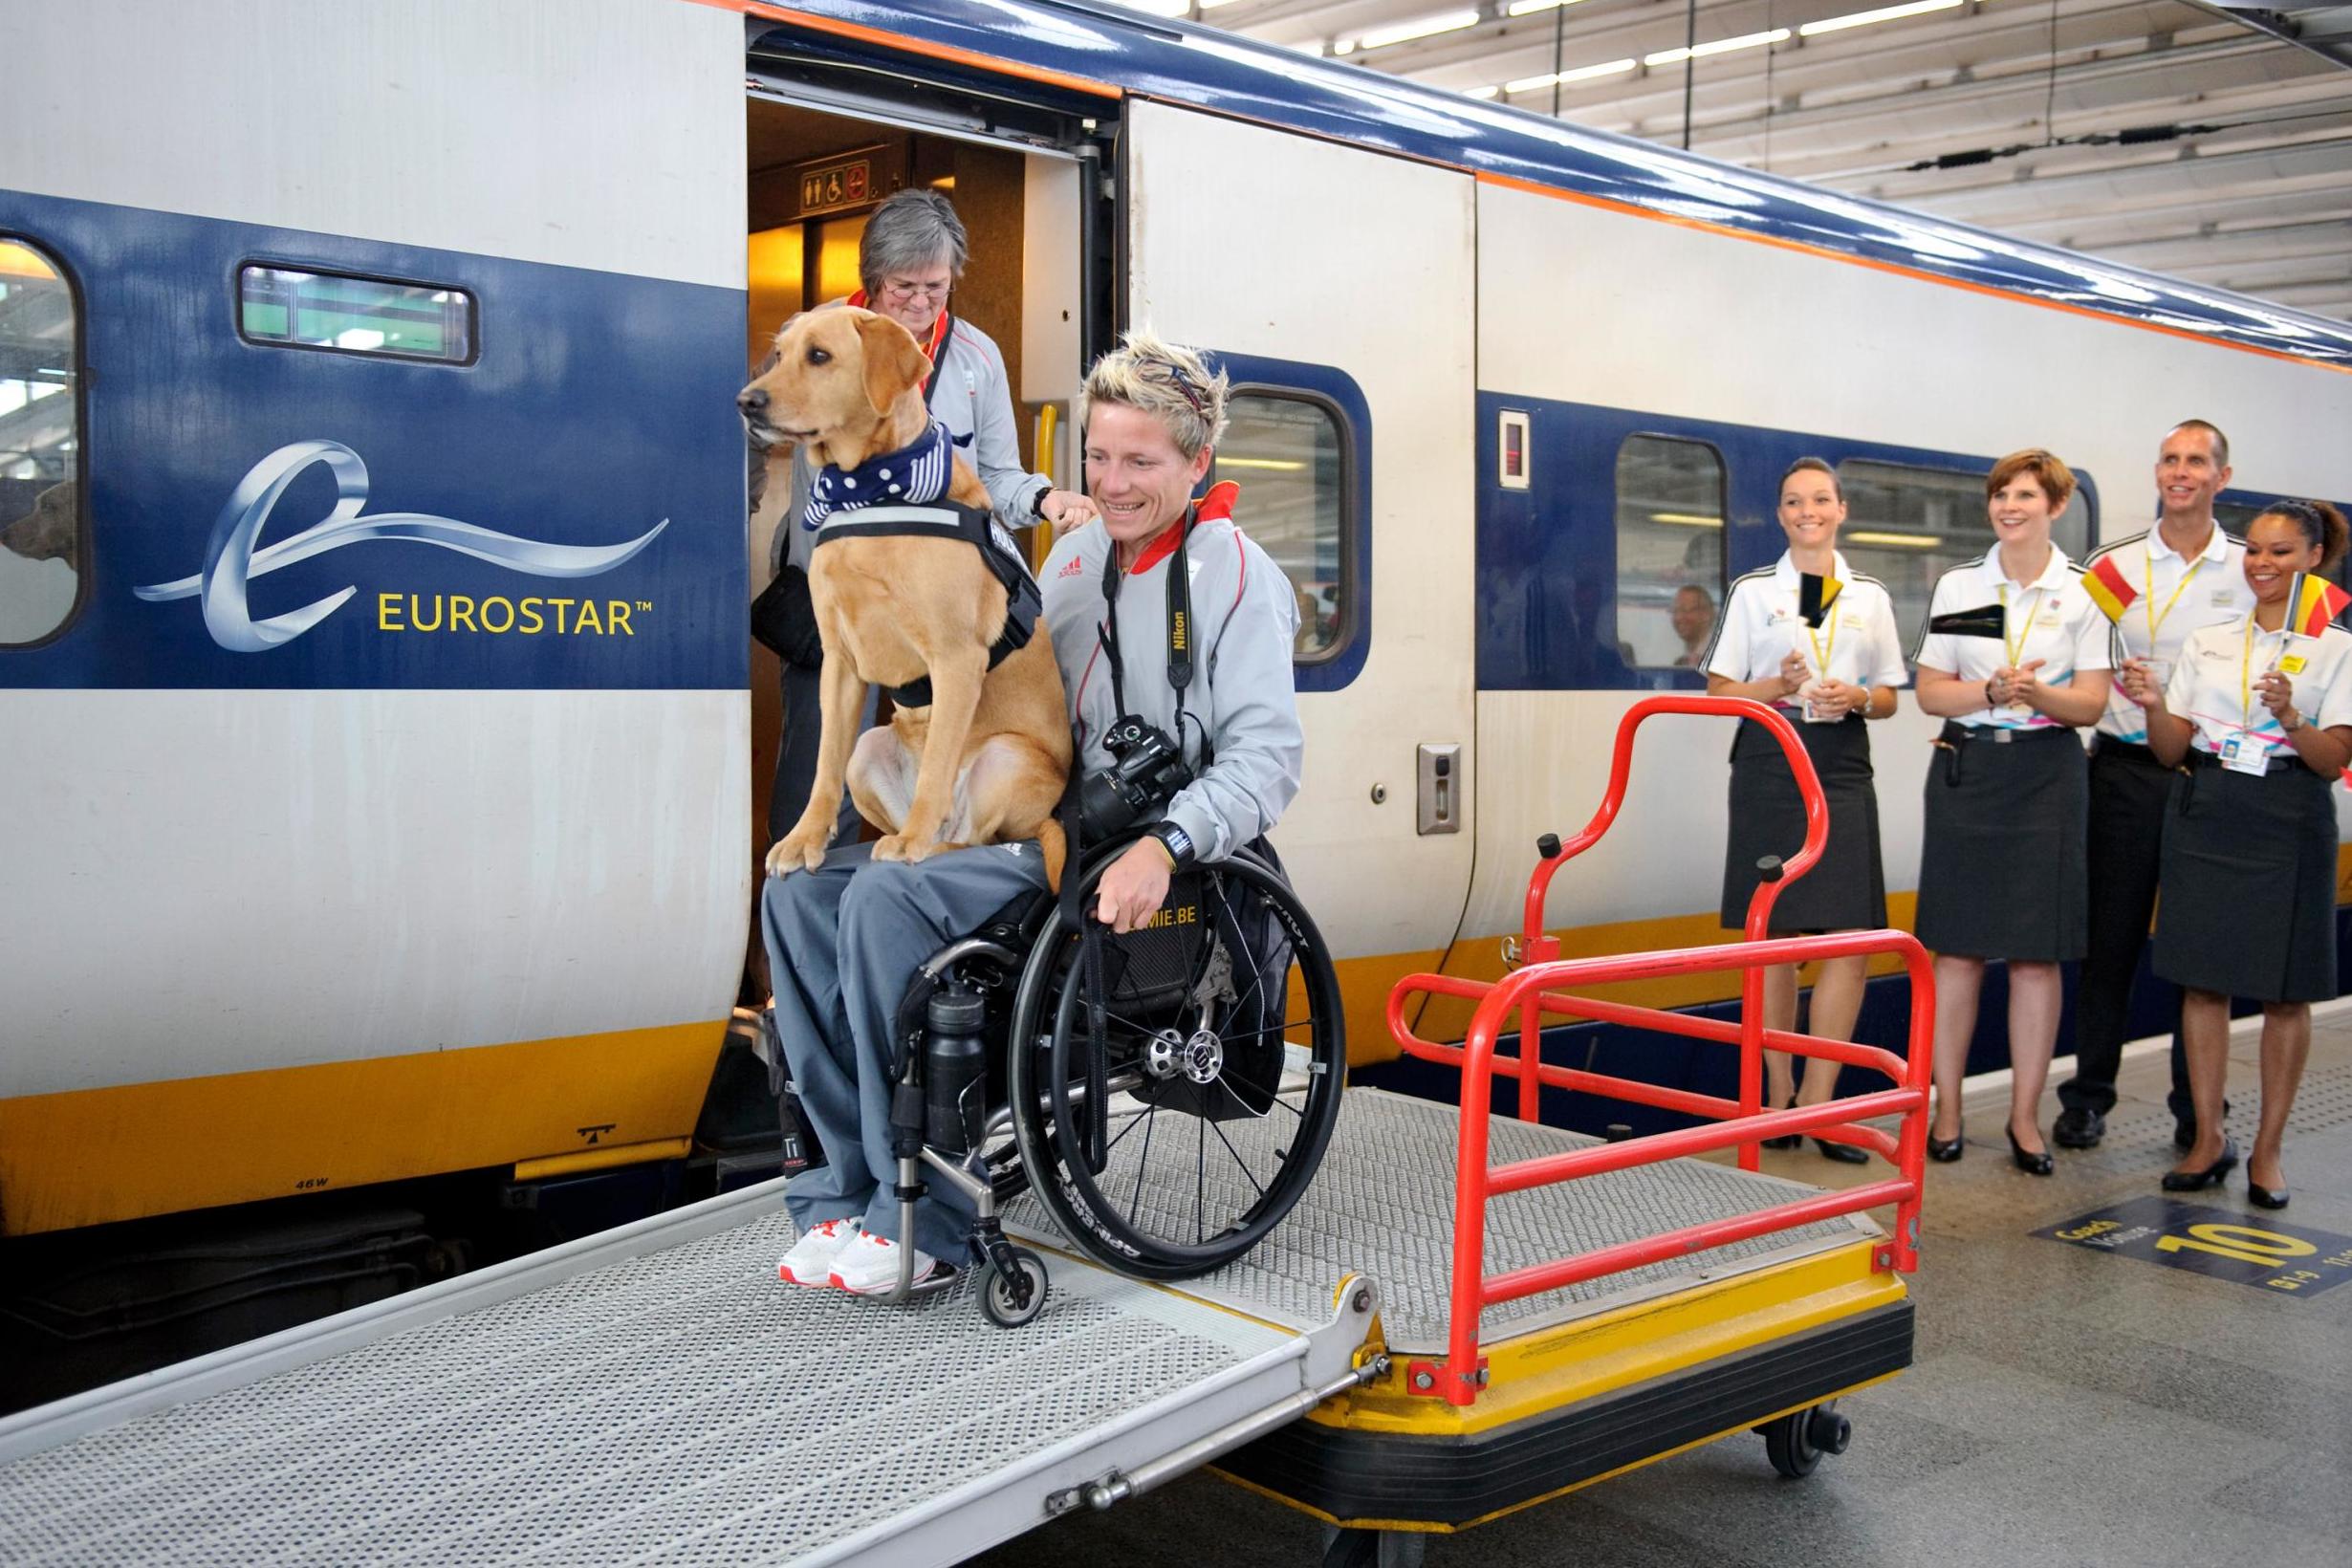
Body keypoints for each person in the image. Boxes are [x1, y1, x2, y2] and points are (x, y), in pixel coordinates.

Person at [762, 329, 1304, 1294]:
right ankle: (841, 1191)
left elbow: (1268, 758)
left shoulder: (1235, 577)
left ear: (1196, 461)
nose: (1115, 479)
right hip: (1020, 816)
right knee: (799, 896)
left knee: (890, 900)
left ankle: (920, 1216)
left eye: (1141, 460)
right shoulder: (1071, 555)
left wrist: (1168, 842)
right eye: (1098, 455)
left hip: (1120, 849)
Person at [752, 188, 1095, 843]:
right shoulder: (813, 337)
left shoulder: (975, 357)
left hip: (933, 597)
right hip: (837, 589)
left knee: (938, 780)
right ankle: (792, 926)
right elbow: (761, 421)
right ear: (872, 280)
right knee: (814, 780)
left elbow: (996, 476)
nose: (918, 303)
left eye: (934, 288)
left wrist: (1046, 499)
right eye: (903, 287)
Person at [2125, 500, 2352, 1209]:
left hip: (2289, 817)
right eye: (2254, 550)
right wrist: (2156, 704)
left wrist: (2291, 716)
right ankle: (2207, 1140)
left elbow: (2332, 760)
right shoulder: (2209, 641)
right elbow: (2170, 751)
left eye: (2281, 552)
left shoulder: (2337, 648)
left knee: (2286, 993)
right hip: (2208, 812)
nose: (2262, 564)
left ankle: (2268, 1150)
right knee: (2202, 983)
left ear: (2314, 559)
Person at [1911, 449, 2112, 1174]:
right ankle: (1949, 1110)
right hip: (1971, 769)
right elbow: (1932, 690)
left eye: (2025, 495)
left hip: (2048, 775)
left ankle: (2026, 1119)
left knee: (2036, 956)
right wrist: (1991, 694)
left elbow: (2091, 703)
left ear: (2056, 506)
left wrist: (2035, 695)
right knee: (1957, 951)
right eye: (2000, 495)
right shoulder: (1962, 585)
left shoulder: (2084, 594)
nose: (2009, 506)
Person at [2056, 421, 2253, 1153]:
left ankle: (2197, 1109)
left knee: (2199, 952)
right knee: (2110, 943)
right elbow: (2068, 654)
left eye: (2196, 461)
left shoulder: (2249, 570)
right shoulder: (2113, 568)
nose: (2180, 472)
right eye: (2170, 460)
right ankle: (2087, 1098)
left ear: (2221, 478)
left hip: (2210, 775)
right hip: (2125, 773)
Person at [1705, 459, 1907, 1163]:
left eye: (1820, 499)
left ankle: (1822, 1103)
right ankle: (1777, 1095)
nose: (1808, 511)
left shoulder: (1869, 597)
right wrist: (1775, 684)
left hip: (1841, 762)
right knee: (1776, 937)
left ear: (1841, 509)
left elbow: (1888, 695)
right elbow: (1720, 692)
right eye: (1794, 501)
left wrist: (1856, 698)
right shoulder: (1754, 592)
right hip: (1770, 758)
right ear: (1782, 514)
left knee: (1848, 935)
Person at [1671, 583, 1717, 668]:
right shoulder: (1680, 663)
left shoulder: (1720, 656)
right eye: (1675, 611)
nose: (1678, 617)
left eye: (1685, 610)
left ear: (1706, 614)